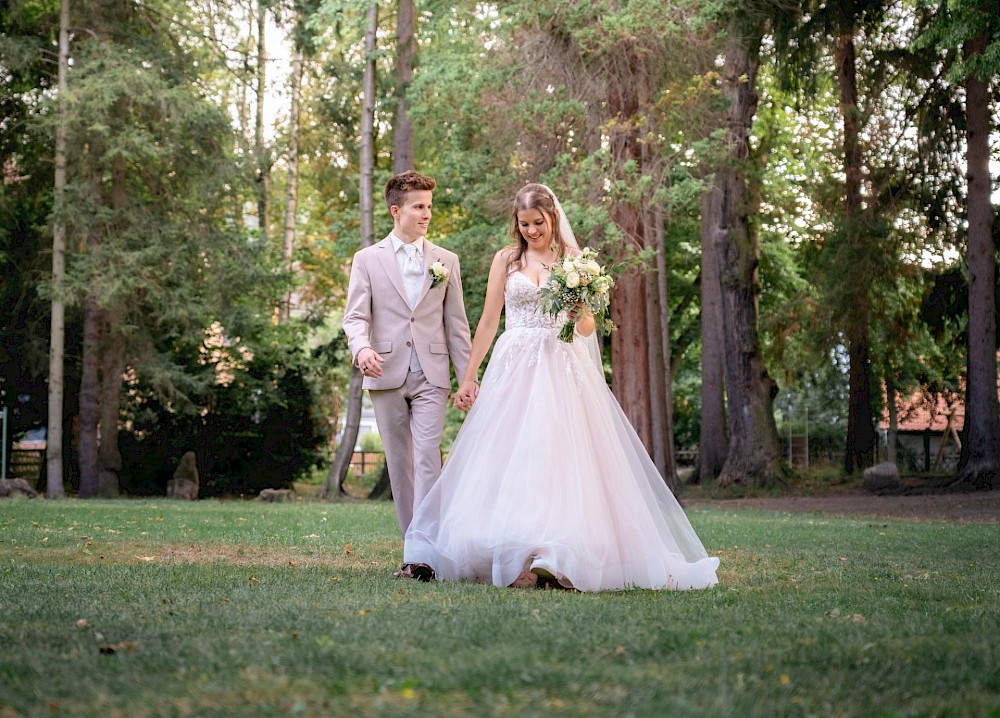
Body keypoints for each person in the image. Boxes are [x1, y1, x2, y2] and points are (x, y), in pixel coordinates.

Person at [403, 183, 719, 591]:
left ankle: (555, 556)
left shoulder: (575, 261)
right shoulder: (506, 260)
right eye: (525, 224)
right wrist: (469, 376)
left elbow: (586, 328)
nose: (532, 231)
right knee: (512, 455)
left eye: (538, 222)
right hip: (514, 365)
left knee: (559, 455)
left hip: (560, 364)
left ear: (552, 217)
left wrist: (577, 312)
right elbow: (489, 321)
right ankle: (514, 553)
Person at [343, 170, 472, 580]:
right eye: (418, 207)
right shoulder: (367, 259)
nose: (426, 214)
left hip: (432, 373)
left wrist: (467, 378)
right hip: (385, 371)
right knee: (401, 465)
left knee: (428, 456)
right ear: (396, 211)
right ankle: (412, 554)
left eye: (429, 206)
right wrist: (362, 349)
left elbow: (457, 327)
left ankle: (427, 553)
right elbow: (355, 317)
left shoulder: (446, 260)